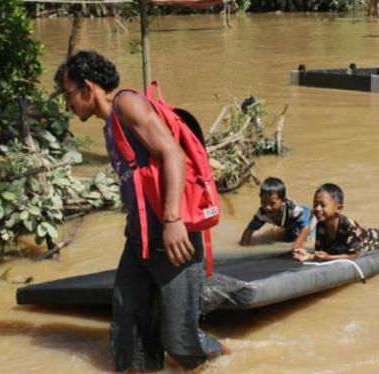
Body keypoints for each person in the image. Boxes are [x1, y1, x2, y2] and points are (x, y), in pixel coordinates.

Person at [54, 51, 227, 372]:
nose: (68, 104)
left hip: (173, 239)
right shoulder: (109, 124)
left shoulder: (127, 105)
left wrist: (173, 220)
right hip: (139, 241)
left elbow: (173, 154)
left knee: (181, 344)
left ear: (88, 88)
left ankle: (223, 356)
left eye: (69, 95)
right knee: (127, 339)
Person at [293, 184, 379, 262]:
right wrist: (308, 255)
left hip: (373, 238)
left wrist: (329, 257)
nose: (317, 209)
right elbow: (321, 252)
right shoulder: (321, 226)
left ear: (338, 208)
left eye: (323, 205)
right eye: (315, 204)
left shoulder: (349, 227)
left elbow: (357, 255)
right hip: (362, 236)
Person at [240, 177, 313, 251]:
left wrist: (297, 244)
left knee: (304, 242)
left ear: (284, 201)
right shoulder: (262, 213)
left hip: (309, 220)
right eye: (263, 202)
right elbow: (249, 230)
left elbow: (306, 227)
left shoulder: (293, 210)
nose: (267, 207)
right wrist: (243, 247)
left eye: (272, 203)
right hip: (290, 225)